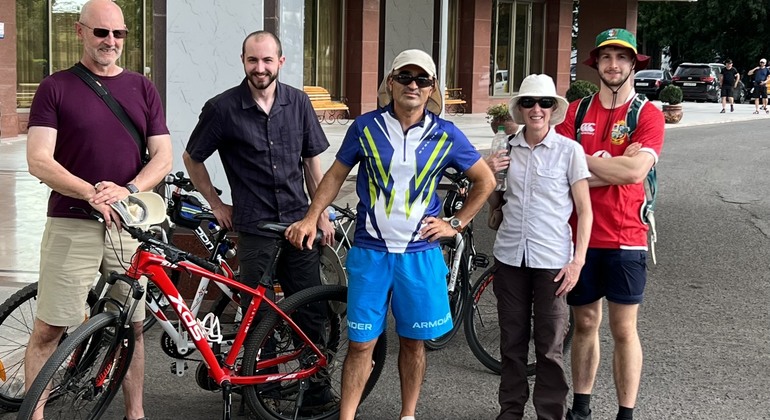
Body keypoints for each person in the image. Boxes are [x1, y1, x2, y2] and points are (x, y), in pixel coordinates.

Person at [285, 49, 496, 420]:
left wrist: (456, 223)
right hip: (371, 252)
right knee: (360, 343)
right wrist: (311, 216)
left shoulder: (445, 133)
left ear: (431, 88)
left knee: (414, 343)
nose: (412, 85)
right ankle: (346, 416)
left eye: (421, 80)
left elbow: (485, 180)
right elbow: (334, 175)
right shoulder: (365, 127)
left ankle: (407, 415)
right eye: (404, 77)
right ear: (390, 83)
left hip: (421, 254)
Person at [23, 1, 173, 419]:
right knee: (50, 329)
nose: (111, 41)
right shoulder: (56, 87)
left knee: (132, 327)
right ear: (80, 32)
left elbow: (162, 157)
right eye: (101, 32)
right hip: (72, 222)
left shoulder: (142, 88)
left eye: (118, 34)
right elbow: (38, 159)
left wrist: (127, 190)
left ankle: (135, 413)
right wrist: (90, 192)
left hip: (129, 224)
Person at [183, 30, 337, 409]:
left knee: (311, 309)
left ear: (280, 62)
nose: (260, 67)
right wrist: (216, 204)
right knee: (259, 313)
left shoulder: (298, 103)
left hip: (299, 224)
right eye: (253, 60)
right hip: (254, 229)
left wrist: (322, 213)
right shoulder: (222, 109)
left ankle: (316, 390)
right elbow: (191, 157)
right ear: (243, 61)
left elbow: (311, 164)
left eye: (267, 60)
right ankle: (258, 392)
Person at [555, 28, 665, 420]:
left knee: (623, 330)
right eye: (606, 57)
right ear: (596, 64)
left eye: (621, 57)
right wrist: (612, 165)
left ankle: (625, 414)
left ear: (634, 64)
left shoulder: (647, 114)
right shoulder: (574, 112)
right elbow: (558, 169)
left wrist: (583, 165)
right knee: (584, 322)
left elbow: (636, 171)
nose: (613, 65)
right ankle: (581, 409)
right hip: (579, 237)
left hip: (626, 237)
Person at [488, 74, 592, 420]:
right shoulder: (505, 149)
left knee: (549, 347)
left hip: (552, 260)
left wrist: (577, 262)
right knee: (512, 343)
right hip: (510, 257)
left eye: (545, 103)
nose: (537, 110)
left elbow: (585, 210)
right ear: (519, 108)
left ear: (553, 109)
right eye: (530, 103)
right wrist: (489, 176)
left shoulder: (569, 151)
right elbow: (495, 199)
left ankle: (550, 414)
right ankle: (510, 412)